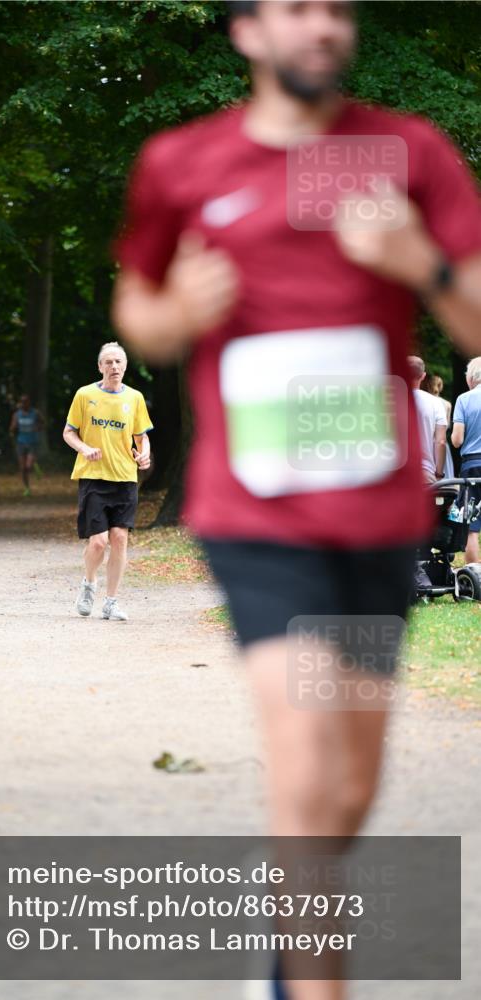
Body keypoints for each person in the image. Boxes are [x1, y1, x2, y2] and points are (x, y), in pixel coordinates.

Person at [112, 2, 481, 996]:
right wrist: (174, 316)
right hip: (257, 517)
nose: (321, 25)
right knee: (308, 763)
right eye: (295, 8)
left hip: (374, 519)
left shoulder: (407, 153)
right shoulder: (183, 164)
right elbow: (136, 305)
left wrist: (425, 267)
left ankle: (279, 959)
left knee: (350, 785)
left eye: (334, 8)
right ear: (244, 31)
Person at [63, 342, 152, 621]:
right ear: (100, 367)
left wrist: (144, 455)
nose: (114, 367)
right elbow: (69, 432)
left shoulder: (135, 398)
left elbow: (141, 436)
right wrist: (84, 448)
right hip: (93, 477)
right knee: (99, 542)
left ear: (125, 367)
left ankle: (111, 602)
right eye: (109, 362)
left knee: (120, 539)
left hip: (125, 478)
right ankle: (89, 583)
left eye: (118, 362)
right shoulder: (84, 394)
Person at [451, 356, 481, 564]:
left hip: (473, 467)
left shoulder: (464, 399)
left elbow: (457, 440)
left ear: (471, 377)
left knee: (471, 527)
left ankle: (475, 578)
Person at [408, 355, 447, 483]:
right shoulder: (435, 403)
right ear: (423, 376)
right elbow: (440, 441)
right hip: (424, 472)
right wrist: (439, 473)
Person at [10, 395, 43, 495]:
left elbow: (43, 422)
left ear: (29, 402)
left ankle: (34, 465)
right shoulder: (17, 415)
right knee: (23, 468)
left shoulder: (35, 413)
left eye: (26, 402)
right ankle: (27, 488)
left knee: (28, 466)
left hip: (32, 442)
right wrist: (12, 429)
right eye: (22, 402)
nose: (24, 404)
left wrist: (38, 428)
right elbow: (12, 427)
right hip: (21, 442)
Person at [424, 371, 454, 477]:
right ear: (441, 387)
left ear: (428, 385)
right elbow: (447, 426)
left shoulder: (424, 401)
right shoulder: (447, 404)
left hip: (426, 442)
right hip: (440, 441)